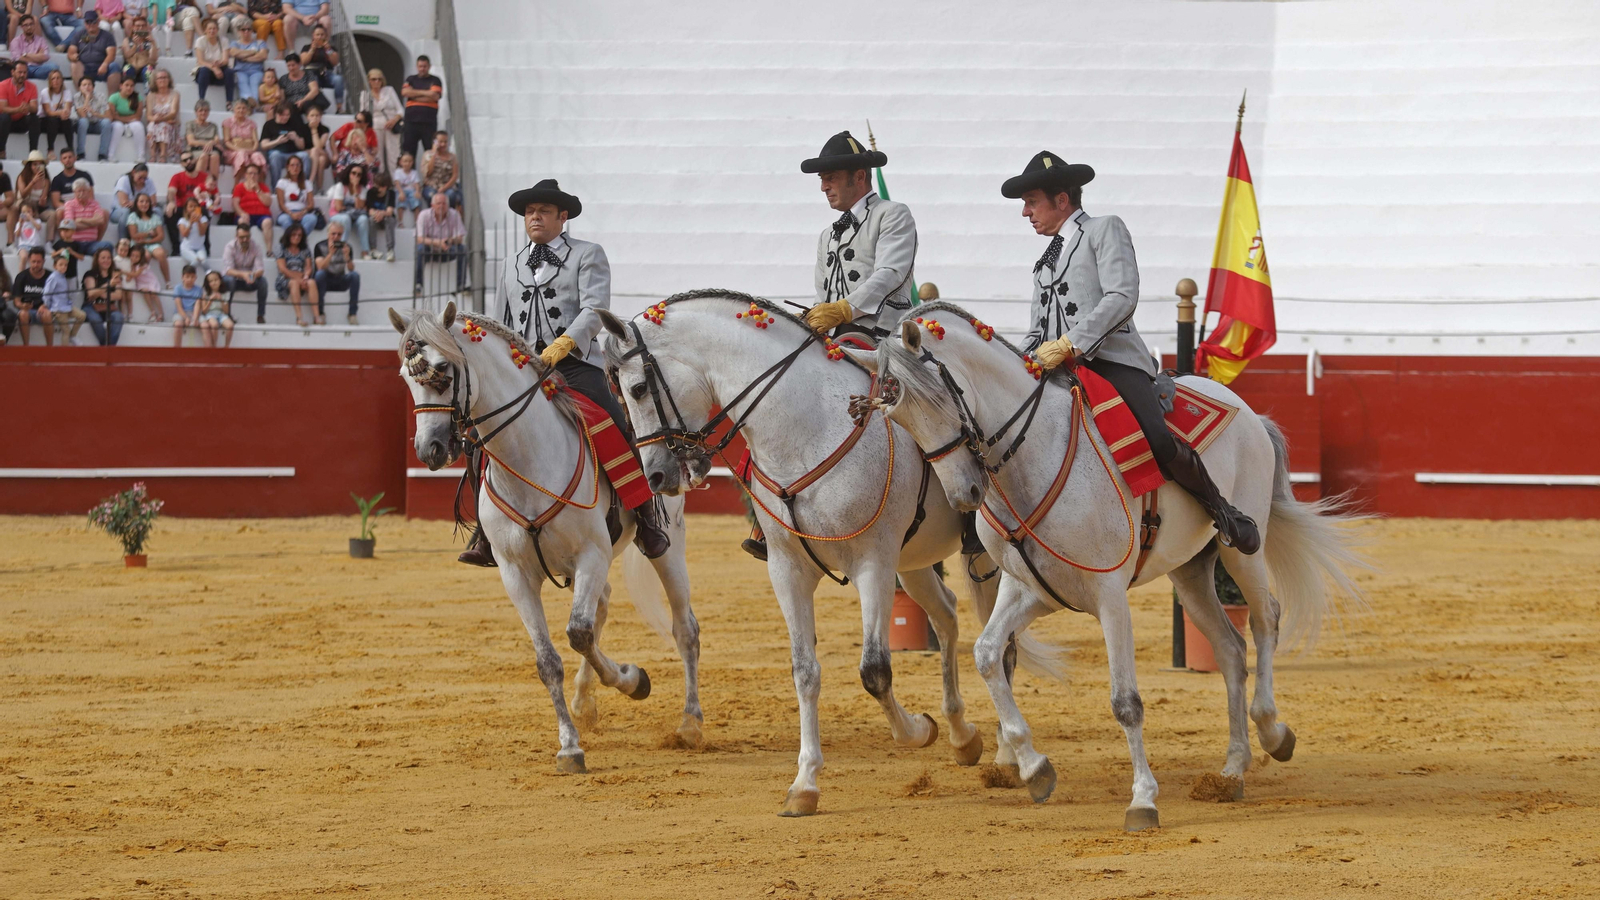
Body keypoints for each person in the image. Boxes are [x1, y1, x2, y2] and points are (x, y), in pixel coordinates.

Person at [1002, 150, 1261, 552]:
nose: (1025, 212)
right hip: (1058, 370)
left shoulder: (1104, 229)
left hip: (1111, 362)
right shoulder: (1044, 263)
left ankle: (1222, 509)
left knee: (1156, 437)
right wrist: (1015, 363)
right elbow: (1037, 330)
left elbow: (1122, 295)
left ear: (1063, 200)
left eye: (1031, 201)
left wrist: (1070, 344)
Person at [469, 179, 671, 566]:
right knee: (484, 432)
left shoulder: (587, 254)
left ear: (563, 217)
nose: (535, 218)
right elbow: (500, 322)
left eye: (543, 211)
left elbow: (595, 309)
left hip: (576, 365)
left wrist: (566, 343)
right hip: (524, 371)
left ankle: (646, 519)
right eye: (530, 212)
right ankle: (484, 531)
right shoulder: (511, 264)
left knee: (610, 423)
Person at [412, 188, 464, 295]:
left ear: (448, 205)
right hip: (429, 251)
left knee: (462, 249)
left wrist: (449, 241)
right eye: (438, 203)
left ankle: (461, 285)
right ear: (432, 205)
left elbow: (460, 238)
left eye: (444, 203)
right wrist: (438, 242)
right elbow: (419, 239)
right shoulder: (424, 215)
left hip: (446, 250)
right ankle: (418, 284)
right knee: (420, 249)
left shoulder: (454, 214)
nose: (441, 206)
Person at [57, 178, 115, 259]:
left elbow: (101, 220)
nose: (81, 193)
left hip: (91, 243)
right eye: (79, 191)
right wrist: (93, 222)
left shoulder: (94, 204)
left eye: (84, 191)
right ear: (74, 192)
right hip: (75, 244)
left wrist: (81, 220)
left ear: (88, 192)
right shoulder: (70, 204)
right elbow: (71, 225)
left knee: (108, 246)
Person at [311, 219, 356, 324]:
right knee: (320, 274)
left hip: (340, 279)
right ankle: (321, 312)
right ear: (328, 234)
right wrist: (330, 254)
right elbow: (320, 267)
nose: (336, 237)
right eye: (333, 234)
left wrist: (347, 257)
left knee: (355, 276)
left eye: (339, 234)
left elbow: (351, 268)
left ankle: (352, 313)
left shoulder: (347, 247)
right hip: (325, 280)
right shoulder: (319, 246)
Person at [398, 55, 440, 163]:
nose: (422, 69)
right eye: (420, 66)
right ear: (417, 66)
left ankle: (429, 178)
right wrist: (427, 93)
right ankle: (409, 179)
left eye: (425, 66)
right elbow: (405, 92)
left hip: (429, 123)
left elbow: (435, 96)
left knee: (430, 152)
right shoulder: (410, 79)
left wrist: (414, 94)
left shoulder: (435, 80)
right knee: (408, 153)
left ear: (429, 66)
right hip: (411, 122)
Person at [220, 221, 265, 322]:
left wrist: (253, 275)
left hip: (248, 279)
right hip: (233, 279)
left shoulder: (256, 247)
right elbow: (228, 270)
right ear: (236, 236)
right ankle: (227, 314)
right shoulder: (230, 247)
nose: (245, 240)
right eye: (242, 237)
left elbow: (260, 269)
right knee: (230, 280)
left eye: (247, 237)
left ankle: (260, 315)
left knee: (263, 282)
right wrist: (244, 274)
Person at [82, 246, 127, 345]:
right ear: (97, 260)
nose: (106, 260)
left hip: (109, 307)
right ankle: (106, 347)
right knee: (95, 319)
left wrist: (101, 293)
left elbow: (119, 295)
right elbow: (91, 294)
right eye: (103, 258)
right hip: (91, 306)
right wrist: (109, 285)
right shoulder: (90, 274)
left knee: (119, 317)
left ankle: (108, 348)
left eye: (108, 258)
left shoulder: (115, 275)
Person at [11, 247, 57, 344]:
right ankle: (26, 347)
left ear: (44, 261)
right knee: (23, 313)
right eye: (33, 261)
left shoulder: (51, 277)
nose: (35, 265)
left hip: (45, 309)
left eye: (38, 262)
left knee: (47, 314)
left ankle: (50, 349)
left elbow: (56, 298)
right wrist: (22, 306)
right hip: (27, 310)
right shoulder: (21, 276)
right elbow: (16, 301)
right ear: (28, 261)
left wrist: (44, 306)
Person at [359, 68, 402, 172]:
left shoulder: (389, 90)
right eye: (374, 79)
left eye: (379, 79)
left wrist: (394, 120)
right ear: (369, 80)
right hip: (375, 127)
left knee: (394, 155)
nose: (377, 82)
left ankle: (396, 183)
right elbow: (362, 114)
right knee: (377, 156)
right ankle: (379, 183)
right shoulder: (365, 94)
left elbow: (401, 110)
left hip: (391, 126)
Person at [274, 220, 315, 326]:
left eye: (299, 235)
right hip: (285, 278)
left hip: (301, 276)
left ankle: (316, 317)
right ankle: (299, 318)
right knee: (294, 283)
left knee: (312, 283)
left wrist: (305, 277)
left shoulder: (305, 249)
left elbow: (308, 267)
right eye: (294, 234)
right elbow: (283, 269)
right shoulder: (281, 248)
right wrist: (299, 279)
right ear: (289, 235)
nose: (296, 237)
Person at [0, 61, 43, 158]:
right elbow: (2, 108)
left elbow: (34, 108)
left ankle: (33, 152)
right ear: (12, 72)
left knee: (34, 118)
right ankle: (1, 151)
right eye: (20, 72)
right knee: (4, 117)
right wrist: (18, 109)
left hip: (20, 121)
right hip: (5, 122)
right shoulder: (2, 85)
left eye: (24, 72)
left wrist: (28, 107)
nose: (22, 75)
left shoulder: (32, 86)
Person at [125, 190, 170, 283]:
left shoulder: (155, 217)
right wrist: (149, 234)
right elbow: (134, 235)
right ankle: (143, 282)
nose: (144, 204)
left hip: (151, 243)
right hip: (137, 244)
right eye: (141, 201)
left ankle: (168, 282)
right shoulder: (132, 216)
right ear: (136, 203)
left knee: (161, 254)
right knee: (146, 255)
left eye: (147, 201)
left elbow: (161, 236)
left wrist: (146, 241)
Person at [67, 12, 120, 91]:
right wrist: (73, 56)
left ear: (98, 22)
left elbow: (111, 54)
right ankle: (81, 95)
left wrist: (105, 64)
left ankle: (112, 100)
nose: (90, 24)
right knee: (74, 64)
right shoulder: (79, 35)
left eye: (93, 22)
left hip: (101, 68)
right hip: (84, 68)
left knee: (114, 66)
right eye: (88, 22)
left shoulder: (107, 36)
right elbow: (71, 51)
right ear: (85, 23)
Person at [41, 248, 85, 343]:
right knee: (66, 330)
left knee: (82, 316)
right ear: (55, 266)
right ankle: (64, 354)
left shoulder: (62, 276)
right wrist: (48, 306)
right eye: (60, 265)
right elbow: (47, 293)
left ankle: (73, 336)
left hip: (66, 306)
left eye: (65, 265)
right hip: (58, 309)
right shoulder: (53, 277)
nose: (63, 267)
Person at [259, 101, 307, 184]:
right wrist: (277, 141)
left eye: (287, 115)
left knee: (305, 156)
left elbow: (302, 146)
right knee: (275, 155)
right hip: (277, 152)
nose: (285, 117)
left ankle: (303, 185)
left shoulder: (294, 124)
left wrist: (295, 138)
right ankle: (276, 187)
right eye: (282, 115)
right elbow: (263, 145)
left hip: (293, 153)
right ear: (276, 114)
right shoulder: (269, 125)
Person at [8, 151, 51, 244]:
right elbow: (23, 194)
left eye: (40, 164)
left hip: (37, 208)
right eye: (34, 164)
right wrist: (33, 181)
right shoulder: (22, 177)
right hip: (24, 206)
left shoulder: (46, 181)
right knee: (13, 209)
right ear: (29, 166)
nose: (37, 167)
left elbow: (44, 197)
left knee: (53, 214)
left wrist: (43, 201)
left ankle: (49, 243)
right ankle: (10, 240)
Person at [326, 162, 368, 257]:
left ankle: (365, 251)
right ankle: (341, 248)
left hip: (353, 215)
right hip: (337, 215)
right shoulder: (340, 186)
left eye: (359, 174)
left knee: (364, 219)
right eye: (353, 173)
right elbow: (338, 207)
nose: (356, 176)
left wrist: (355, 189)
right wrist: (350, 208)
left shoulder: (363, 189)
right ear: (348, 173)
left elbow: (359, 207)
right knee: (345, 218)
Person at [273, 152, 320, 233]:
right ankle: (292, 241)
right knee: (285, 220)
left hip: (303, 212)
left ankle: (300, 239)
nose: (295, 168)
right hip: (287, 213)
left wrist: (302, 213)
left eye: (298, 165)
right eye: (292, 165)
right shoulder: (282, 182)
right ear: (287, 167)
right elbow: (281, 204)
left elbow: (311, 204)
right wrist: (291, 214)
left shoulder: (307, 183)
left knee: (312, 219)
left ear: (301, 167)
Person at [230, 161, 273, 249]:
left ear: (258, 175)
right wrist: (241, 213)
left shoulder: (264, 187)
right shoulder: (239, 187)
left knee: (267, 222)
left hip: (262, 215)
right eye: (250, 173)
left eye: (255, 174)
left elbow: (268, 202)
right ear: (245, 175)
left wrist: (258, 190)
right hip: (245, 214)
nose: (252, 176)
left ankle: (269, 250)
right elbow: (235, 204)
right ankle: (240, 248)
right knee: (242, 222)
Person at [144, 67, 181, 163]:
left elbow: (173, 113)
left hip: (170, 123)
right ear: (155, 81)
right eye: (160, 78)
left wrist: (160, 119)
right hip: (156, 122)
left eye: (165, 77)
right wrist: (156, 119)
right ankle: (152, 155)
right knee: (152, 126)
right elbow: (148, 116)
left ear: (169, 80)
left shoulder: (175, 94)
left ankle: (163, 156)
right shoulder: (151, 95)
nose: (162, 80)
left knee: (163, 126)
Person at [221, 98, 265, 177]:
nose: (241, 110)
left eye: (244, 108)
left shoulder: (252, 123)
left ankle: (260, 185)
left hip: (250, 150)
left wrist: (252, 150)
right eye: (238, 108)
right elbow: (226, 141)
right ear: (234, 109)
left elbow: (255, 141)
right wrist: (240, 149)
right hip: (233, 152)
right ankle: (237, 186)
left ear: (247, 109)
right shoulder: (228, 122)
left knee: (258, 155)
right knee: (241, 154)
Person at [192, 16, 232, 104]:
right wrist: (214, 68)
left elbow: (225, 60)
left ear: (217, 30)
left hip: (219, 70)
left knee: (229, 72)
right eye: (209, 29)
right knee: (204, 70)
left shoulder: (224, 40)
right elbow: (200, 61)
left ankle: (229, 102)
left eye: (214, 29)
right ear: (205, 30)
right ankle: (201, 100)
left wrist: (219, 64)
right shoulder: (200, 41)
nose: (212, 31)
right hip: (206, 72)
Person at [298, 23, 339, 108]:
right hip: (312, 73)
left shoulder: (330, 48)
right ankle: (315, 105)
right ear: (313, 35)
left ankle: (339, 107)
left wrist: (328, 50)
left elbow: (335, 62)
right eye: (317, 35)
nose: (320, 37)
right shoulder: (306, 47)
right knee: (313, 79)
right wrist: (312, 50)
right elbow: (304, 62)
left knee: (338, 80)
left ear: (326, 36)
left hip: (327, 73)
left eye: (322, 35)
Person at [72, 75, 113, 160]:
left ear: (93, 87)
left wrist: (95, 113)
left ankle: (102, 154)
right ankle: (81, 154)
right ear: (79, 87)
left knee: (107, 123)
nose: (87, 87)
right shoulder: (76, 97)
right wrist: (87, 97)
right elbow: (83, 115)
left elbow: (109, 117)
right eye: (84, 85)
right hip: (81, 126)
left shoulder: (100, 96)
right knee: (83, 121)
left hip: (96, 123)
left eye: (89, 84)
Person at [228, 21, 267, 108]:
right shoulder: (235, 43)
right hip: (240, 70)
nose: (246, 31)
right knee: (242, 83)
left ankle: (249, 103)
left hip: (256, 70)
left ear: (252, 31)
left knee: (255, 83)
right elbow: (234, 53)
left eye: (249, 29)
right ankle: (252, 103)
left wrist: (244, 58)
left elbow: (263, 55)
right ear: (239, 32)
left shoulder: (260, 42)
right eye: (243, 29)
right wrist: (253, 52)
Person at [111, 162, 157, 233]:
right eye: (140, 178)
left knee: (158, 211)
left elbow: (153, 202)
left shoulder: (149, 181)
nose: (142, 180)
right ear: (133, 172)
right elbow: (124, 204)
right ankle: (123, 241)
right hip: (119, 212)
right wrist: (143, 203)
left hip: (142, 211)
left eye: (145, 178)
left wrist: (135, 203)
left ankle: (156, 240)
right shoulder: (124, 180)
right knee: (127, 212)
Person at [107, 77, 146, 161]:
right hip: (117, 122)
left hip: (130, 122)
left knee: (139, 126)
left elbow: (138, 116)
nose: (129, 88)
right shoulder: (114, 97)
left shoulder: (138, 97)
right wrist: (130, 119)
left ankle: (140, 156)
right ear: (121, 86)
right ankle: (111, 155)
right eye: (126, 85)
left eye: (131, 86)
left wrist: (121, 117)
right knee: (118, 127)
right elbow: (112, 116)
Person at [278, 52, 324, 122]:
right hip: (291, 105)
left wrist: (302, 101)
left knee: (309, 106)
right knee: (291, 109)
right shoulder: (283, 79)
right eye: (288, 66)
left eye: (293, 65)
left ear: (299, 64)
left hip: (307, 101)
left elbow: (314, 90)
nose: (291, 68)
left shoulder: (308, 74)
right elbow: (282, 97)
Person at [183, 99, 222, 176]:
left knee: (215, 156)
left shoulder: (213, 126)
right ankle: (198, 183)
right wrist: (207, 143)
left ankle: (213, 185)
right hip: (195, 149)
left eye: (206, 110)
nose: (203, 113)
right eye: (201, 110)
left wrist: (211, 143)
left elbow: (217, 140)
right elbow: (191, 141)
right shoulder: (190, 124)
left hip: (211, 150)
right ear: (196, 112)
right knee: (204, 156)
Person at [39, 69, 72, 158]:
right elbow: (48, 112)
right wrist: (61, 111)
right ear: (50, 81)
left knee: (67, 121)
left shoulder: (67, 92)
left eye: (58, 78)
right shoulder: (45, 92)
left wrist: (63, 112)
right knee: (52, 120)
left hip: (59, 120)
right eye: (53, 78)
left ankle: (71, 149)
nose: (56, 81)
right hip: (45, 121)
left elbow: (67, 110)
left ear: (62, 80)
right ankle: (50, 150)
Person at [117, 14, 157, 85]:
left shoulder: (150, 40)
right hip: (132, 66)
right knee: (127, 68)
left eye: (143, 25)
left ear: (146, 27)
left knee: (149, 71)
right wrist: (135, 45)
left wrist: (153, 43)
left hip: (145, 66)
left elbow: (154, 59)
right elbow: (126, 56)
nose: (140, 28)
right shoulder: (127, 40)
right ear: (133, 27)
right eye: (138, 26)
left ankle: (149, 93)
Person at [364, 169, 395, 262]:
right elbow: (370, 210)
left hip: (387, 218)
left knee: (389, 220)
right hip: (376, 217)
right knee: (371, 220)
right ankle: (373, 249)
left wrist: (382, 214)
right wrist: (377, 214)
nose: (376, 188)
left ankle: (390, 250)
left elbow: (390, 211)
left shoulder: (391, 193)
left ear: (385, 187)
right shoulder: (370, 192)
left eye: (379, 186)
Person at [197, 268, 232, 345]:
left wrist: (221, 300)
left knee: (230, 326)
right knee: (214, 325)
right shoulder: (205, 294)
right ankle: (214, 346)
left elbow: (226, 311)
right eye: (211, 281)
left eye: (216, 280)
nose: (214, 283)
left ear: (220, 281)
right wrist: (210, 301)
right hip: (210, 314)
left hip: (221, 314)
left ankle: (226, 347)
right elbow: (204, 311)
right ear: (208, 284)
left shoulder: (225, 293)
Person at [170, 262, 202, 345]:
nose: (190, 279)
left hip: (194, 312)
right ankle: (177, 350)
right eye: (187, 277)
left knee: (205, 325)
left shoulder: (198, 289)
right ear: (182, 277)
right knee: (178, 325)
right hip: (180, 312)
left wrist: (195, 318)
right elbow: (178, 306)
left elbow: (197, 305)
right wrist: (186, 318)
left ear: (195, 278)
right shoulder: (178, 288)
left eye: (192, 277)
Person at [176, 195, 207, 270]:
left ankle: (210, 276)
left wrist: (198, 221)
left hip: (200, 247)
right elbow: (184, 234)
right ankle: (187, 275)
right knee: (195, 261)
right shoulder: (182, 221)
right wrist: (190, 223)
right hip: (187, 248)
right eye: (190, 206)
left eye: (195, 206)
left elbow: (202, 233)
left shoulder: (203, 219)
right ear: (186, 209)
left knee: (204, 262)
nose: (193, 208)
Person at [302, 102, 328, 186]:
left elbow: (319, 147)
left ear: (321, 117)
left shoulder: (324, 129)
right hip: (307, 153)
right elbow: (301, 146)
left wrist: (314, 130)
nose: (315, 118)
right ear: (307, 117)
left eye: (317, 115)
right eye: (312, 115)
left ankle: (311, 180)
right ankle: (319, 188)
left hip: (321, 152)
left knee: (315, 150)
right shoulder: (302, 128)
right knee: (321, 160)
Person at [392, 150, 420, 225]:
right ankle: (400, 221)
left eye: (410, 161)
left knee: (416, 203)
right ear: (401, 162)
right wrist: (401, 192)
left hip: (411, 191)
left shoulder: (414, 172)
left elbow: (416, 183)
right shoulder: (398, 172)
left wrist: (417, 191)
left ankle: (417, 222)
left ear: (412, 162)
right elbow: (397, 183)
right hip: (401, 190)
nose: (407, 163)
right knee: (400, 203)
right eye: (405, 161)